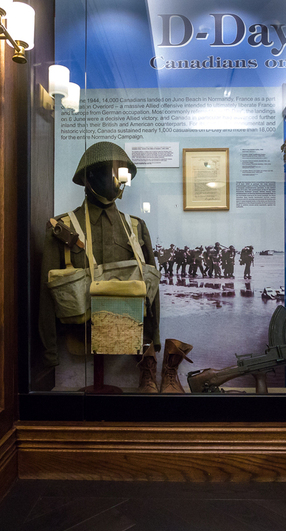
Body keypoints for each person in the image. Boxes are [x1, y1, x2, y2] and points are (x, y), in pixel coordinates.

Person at [40, 142, 186, 392]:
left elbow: (151, 291)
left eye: (124, 174)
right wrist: (49, 352)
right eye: (113, 172)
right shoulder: (63, 228)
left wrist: (151, 342)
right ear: (90, 177)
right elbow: (47, 294)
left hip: (126, 334)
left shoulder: (136, 227)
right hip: (80, 336)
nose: (120, 181)